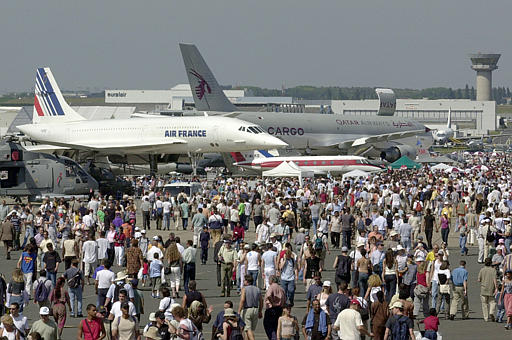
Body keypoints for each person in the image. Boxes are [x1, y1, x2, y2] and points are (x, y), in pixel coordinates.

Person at [238, 275, 262, 340]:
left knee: (248, 329)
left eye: (244, 280)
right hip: (255, 309)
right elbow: (261, 301)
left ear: (247, 281)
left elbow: (242, 300)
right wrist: (260, 311)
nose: (243, 282)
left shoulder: (244, 289)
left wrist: (239, 311)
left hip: (247, 309)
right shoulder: (257, 289)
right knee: (249, 330)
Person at [478, 257, 498, 322]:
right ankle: (491, 312)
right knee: (492, 302)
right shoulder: (493, 270)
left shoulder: (482, 270)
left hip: (483, 288)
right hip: (491, 288)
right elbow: (495, 279)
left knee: (484, 304)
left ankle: (486, 317)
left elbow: (479, 280)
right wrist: (496, 288)